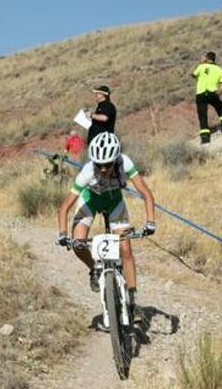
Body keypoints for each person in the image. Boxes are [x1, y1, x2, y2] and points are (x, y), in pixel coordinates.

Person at [56, 132, 156, 315]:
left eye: (107, 164)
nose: (102, 169)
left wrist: (150, 222)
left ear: (115, 159)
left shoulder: (124, 162)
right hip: (89, 201)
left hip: (114, 202)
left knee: (126, 250)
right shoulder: (86, 172)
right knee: (78, 244)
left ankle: (132, 302)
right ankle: (94, 267)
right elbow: (64, 208)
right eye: (98, 164)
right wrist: (63, 234)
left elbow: (146, 194)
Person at [192, 51, 222, 144]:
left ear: (206, 58)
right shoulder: (219, 69)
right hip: (212, 93)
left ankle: (205, 138)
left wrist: (202, 63)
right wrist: (219, 93)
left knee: (202, 115)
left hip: (201, 94)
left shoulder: (201, 66)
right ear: (214, 59)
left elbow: (193, 75)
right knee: (221, 109)